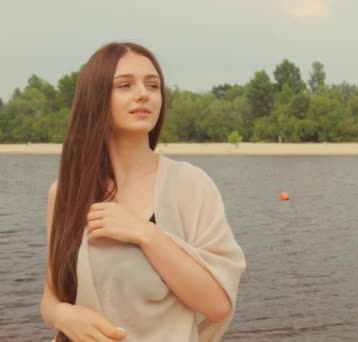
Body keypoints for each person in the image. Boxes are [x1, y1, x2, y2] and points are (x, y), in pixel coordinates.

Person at [40, 42, 246, 342]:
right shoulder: (64, 193)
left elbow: (217, 305)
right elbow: (51, 296)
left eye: (153, 85)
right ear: (95, 98)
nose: (143, 94)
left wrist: (144, 233)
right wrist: (63, 315)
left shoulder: (189, 184)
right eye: (124, 85)